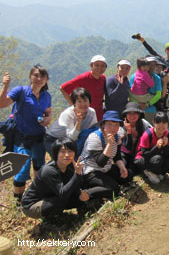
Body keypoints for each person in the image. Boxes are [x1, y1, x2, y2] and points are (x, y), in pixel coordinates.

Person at [0, 66, 52, 201]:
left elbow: (48, 112)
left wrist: (47, 120)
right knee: (22, 170)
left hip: (39, 135)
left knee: (39, 166)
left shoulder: (46, 96)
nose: (39, 79)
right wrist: (5, 85)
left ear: (46, 80)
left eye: (42, 76)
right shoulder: (21, 91)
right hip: (22, 136)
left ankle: (36, 194)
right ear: (30, 77)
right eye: (36, 75)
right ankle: (18, 202)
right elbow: (2, 103)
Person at [21, 138, 89, 219]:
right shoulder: (49, 171)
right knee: (60, 201)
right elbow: (63, 193)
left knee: (78, 196)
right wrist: (77, 174)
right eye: (63, 152)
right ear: (56, 153)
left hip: (53, 197)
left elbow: (75, 187)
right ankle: (51, 222)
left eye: (70, 151)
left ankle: (81, 215)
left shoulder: (70, 166)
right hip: (32, 205)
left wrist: (81, 196)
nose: (67, 155)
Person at [81, 110, 130, 200]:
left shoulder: (117, 137)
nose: (113, 128)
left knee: (128, 175)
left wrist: (122, 168)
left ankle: (105, 185)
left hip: (106, 168)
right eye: (110, 124)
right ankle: (86, 193)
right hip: (91, 171)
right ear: (103, 124)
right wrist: (109, 144)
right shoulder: (95, 137)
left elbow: (117, 156)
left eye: (116, 125)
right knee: (114, 189)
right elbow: (100, 162)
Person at [45, 87, 98, 157]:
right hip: (53, 138)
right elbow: (72, 137)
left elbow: (91, 131)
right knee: (59, 161)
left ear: (89, 101)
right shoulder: (68, 114)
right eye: (79, 101)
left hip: (71, 140)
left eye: (85, 101)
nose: (83, 104)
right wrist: (78, 122)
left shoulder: (91, 112)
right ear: (74, 103)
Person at [61, 55, 107, 121]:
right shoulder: (83, 78)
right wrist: (73, 106)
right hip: (84, 116)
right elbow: (63, 88)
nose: (99, 68)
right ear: (91, 65)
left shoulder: (103, 78)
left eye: (103, 66)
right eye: (97, 65)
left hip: (99, 115)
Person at [134, 112, 169, 184]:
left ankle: (158, 172)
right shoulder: (147, 135)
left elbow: (167, 154)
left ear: (167, 123)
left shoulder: (168, 134)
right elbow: (144, 154)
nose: (161, 126)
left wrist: (166, 145)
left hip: (156, 156)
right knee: (157, 159)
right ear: (154, 123)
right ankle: (148, 171)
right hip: (142, 158)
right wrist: (156, 146)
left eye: (164, 123)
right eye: (158, 122)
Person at [121, 102, 152, 177]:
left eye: (135, 113)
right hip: (125, 152)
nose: (132, 116)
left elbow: (152, 135)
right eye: (129, 113)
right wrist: (128, 132)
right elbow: (127, 147)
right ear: (126, 115)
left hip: (139, 152)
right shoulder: (121, 126)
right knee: (124, 166)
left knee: (137, 167)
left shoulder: (145, 124)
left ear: (139, 114)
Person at [130, 56, 163, 123]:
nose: (152, 67)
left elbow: (159, 95)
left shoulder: (157, 78)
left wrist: (147, 104)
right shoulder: (134, 76)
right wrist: (139, 104)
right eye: (150, 65)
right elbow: (130, 94)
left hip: (151, 111)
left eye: (154, 65)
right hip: (137, 111)